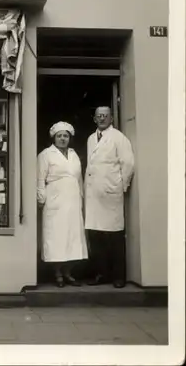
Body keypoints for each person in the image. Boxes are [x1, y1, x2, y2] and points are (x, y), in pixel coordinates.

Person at [85, 106, 135, 288]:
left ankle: (118, 276)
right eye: (99, 116)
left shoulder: (118, 138)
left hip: (111, 194)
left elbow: (128, 163)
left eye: (106, 115)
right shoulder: (91, 138)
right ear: (94, 118)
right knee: (96, 235)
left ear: (112, 118)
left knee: (114, 236)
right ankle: (101, 274)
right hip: (94, 195)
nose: (102, 118)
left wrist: (121, 186)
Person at [37, 121, 88, 287]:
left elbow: (79, 179)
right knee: (56, 238)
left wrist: (82, 198)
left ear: (69, 138)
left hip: (73, 202)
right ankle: (57, 273)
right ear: (54, 137)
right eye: (59, 136)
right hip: (55, 201)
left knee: (72, 238)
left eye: (65, 136)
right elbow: (39, 179)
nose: (63, 139)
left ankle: (68, 272)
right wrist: (41, 199)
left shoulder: (74, 154)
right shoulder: (46, 155)